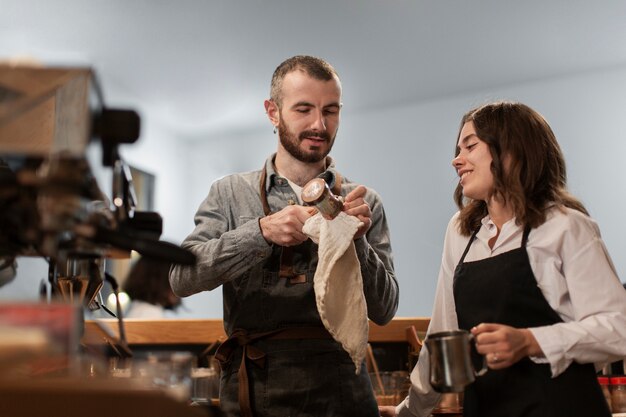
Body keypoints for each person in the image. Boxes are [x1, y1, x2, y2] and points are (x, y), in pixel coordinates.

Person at [170, 55, 398, 417]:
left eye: (331, 111)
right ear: (273, 112)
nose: (319, 125)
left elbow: (385, 310)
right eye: (304, 109)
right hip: (255, 385)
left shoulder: (364, 202)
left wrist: (357, 240)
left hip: (343, 389)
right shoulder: (228, 192)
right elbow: (181, 278)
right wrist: (259, 233)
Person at [382, 101, 626, 417]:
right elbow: (444, 335)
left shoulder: (565, 226)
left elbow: (618, 329)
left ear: (511, 151)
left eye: (470, 146)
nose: (457, 160)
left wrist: (529, 341)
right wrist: (409, 412)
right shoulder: (460, 231)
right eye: (458, 149)